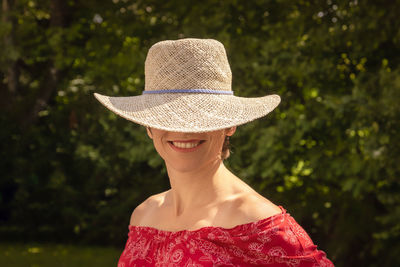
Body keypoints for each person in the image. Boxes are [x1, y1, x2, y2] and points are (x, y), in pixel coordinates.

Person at [94, 38, 334, 266]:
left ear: (230, 124)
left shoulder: (258, 222)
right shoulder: (144, 215)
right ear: (148, 127)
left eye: (201, 116)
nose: (184, 129)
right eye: (167, 116)